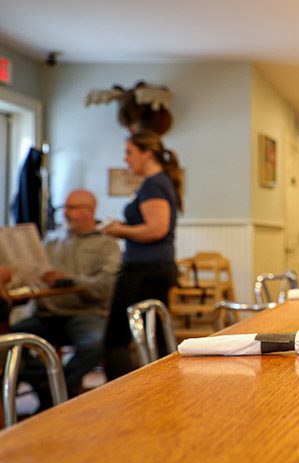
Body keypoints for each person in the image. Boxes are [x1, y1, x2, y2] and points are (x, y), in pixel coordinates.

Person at [10, 189, 121, 407]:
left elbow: (106, 286)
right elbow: (36, 275)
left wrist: (71, 281)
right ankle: (51, 386)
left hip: (86, 314)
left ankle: (54, 389)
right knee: (10, 341)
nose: (65, 213)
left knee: (94, 344)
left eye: (71, 208)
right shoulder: (51, 242)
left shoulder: (106, 245)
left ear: (89, 211)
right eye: (64, 208)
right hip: (47, 314)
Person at [101, 130, 183, 380]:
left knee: (116, 338)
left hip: (144, 270)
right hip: (153, 268)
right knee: (154, 337)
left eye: (129, 152)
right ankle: (160, 390)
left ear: (147, 153)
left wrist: (118, 229)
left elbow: (157, 229)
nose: (125, 159)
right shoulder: (158, 182)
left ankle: (124, 393)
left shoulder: (154, 183)